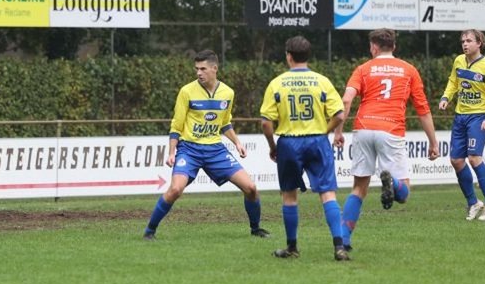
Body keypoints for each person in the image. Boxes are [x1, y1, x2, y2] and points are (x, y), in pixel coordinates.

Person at [142, 49, 268, 240]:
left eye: (203, 69)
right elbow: (177, 125)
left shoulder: (227, 93)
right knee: (175, 189)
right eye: (196, 69)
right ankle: (150, 231)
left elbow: (225, 123)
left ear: (214, 68)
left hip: (215, 150)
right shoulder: (187, 91)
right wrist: (171, 152)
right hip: (189, 149)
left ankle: (255, 228)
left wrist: (237, 142)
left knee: (251, 188)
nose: (198, 73)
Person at [333, 28, 439, 251]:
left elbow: (346, 100)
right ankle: (393, 183)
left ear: (373, 46)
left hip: (363, 128)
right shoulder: (409, 70)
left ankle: (344, 241)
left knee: (359, 188)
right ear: (394, 46)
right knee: (404, 193)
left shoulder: (363, 69)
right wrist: (433, 142)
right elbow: (423, 110)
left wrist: (338, 131)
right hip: (391, 129)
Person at [260, 36, 349, 261]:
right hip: (317, 141)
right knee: (327, 193)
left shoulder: (277, 83)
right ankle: (339, 247)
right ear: (308, 56)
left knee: (289, 195)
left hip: (289, 143)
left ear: (288, 56)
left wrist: (273, 146)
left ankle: (292, 247)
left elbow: (266, 123)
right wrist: (324, 131)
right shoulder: (322, 81)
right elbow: (339, 115)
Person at [438, 28, 485, 222]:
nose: (465, 44)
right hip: (460, 116)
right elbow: (453, 82)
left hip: (479, 117)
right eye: (463, 41)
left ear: (479, 43)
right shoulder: (459, 61)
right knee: (456, 161)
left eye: (469, 41)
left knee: (474, 158)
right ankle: (473, 202)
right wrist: (446, 97)